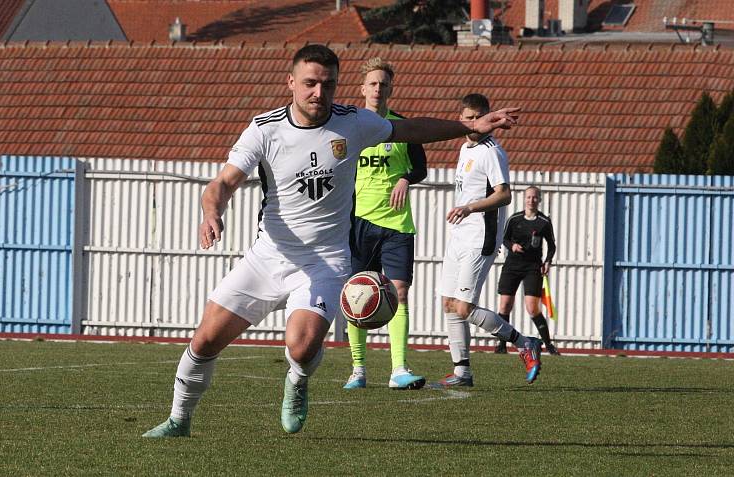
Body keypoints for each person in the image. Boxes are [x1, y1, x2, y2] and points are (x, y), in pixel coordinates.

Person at [142, 45, 520, 438]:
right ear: (291, 82)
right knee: (204, 340)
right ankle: (178, 420)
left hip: (325, 262)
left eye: (327, 84)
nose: (318, 94)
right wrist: (211, 212)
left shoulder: (353, 123)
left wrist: (471, 128)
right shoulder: (265, 128)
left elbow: (411, 130)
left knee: (301, 347)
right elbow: (222, 183)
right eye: (309, 83)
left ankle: (297, 382)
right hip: (267, 257)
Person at [435, 93, 542, 388]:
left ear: (487, 119)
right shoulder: (464, 147)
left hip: (481, 236)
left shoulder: (490, 151)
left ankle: (524, 343)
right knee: (448, 303)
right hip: (459, 235)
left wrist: (469, 208)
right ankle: (462, 372)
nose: (471, 123)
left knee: (464, 308)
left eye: (476, 117)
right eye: (467, 118)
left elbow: (504, 194)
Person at [342, 58, 427, 391]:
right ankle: (358, 369)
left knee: (400, 293)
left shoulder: (402, 128)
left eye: (384, 84)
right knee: (356, 294)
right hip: (357, 222)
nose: (378, 89)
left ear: (391, 89)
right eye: (373, 83)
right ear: (362, 88)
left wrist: (406, 178)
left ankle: (399, 369)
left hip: (396, 225)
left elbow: (420, 168)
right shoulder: (349, 127)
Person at [494, 186, 559, 355]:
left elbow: (552, 246)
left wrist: (547, 262)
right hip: (512, 266)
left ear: (539, 199)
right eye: (529, 197)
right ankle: (501, 346)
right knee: (505, 305)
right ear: (524, 199)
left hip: (532, 267)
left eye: (535, 197)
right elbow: (504, 238)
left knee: (532, 308)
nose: (531, 200)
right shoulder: (515, 219)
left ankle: (549, 345)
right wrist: (512, 245)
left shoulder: (544, 222)